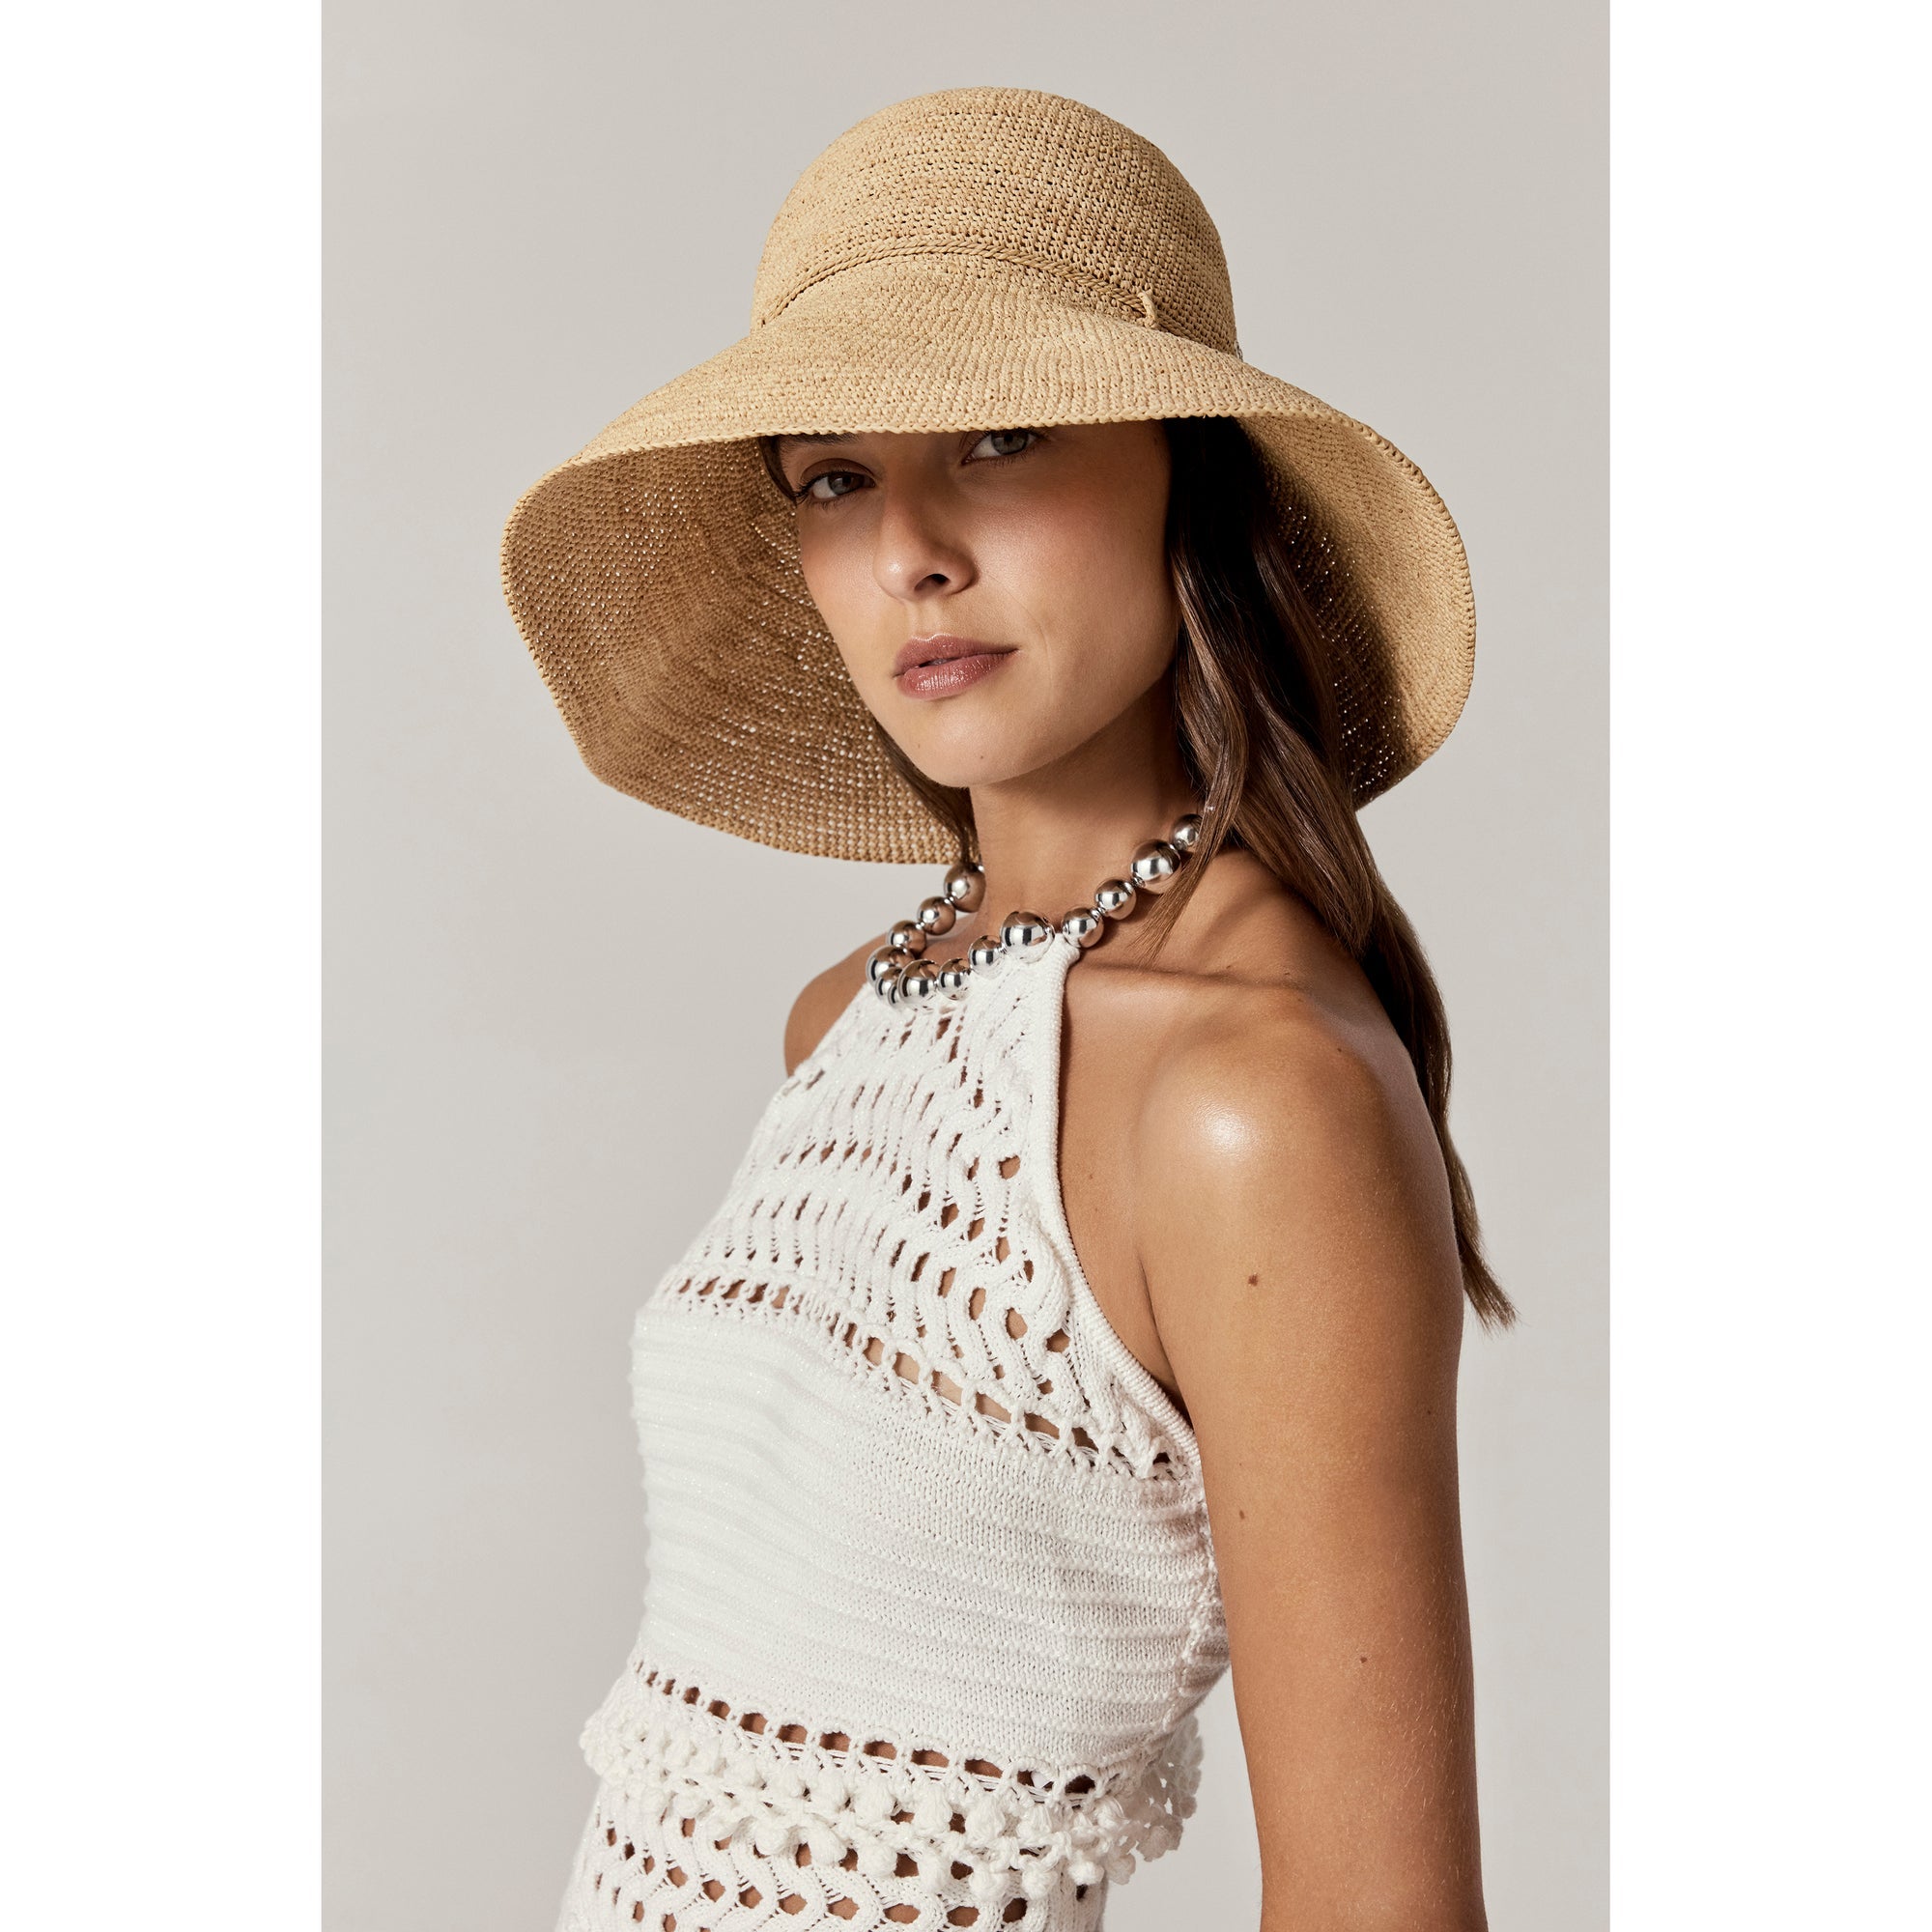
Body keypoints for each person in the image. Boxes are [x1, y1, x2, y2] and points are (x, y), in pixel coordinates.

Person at [502, 85, 1510, 1932]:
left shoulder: (1252, 1098)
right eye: (834, 477)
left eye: (1000, 434)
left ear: (1188, 473)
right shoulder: (856, 1021)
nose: (912, 549)